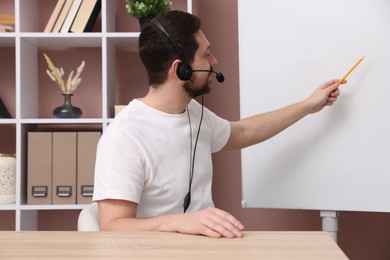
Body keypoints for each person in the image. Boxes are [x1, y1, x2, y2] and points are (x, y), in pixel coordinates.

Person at [92, 10, 342, 238]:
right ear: (181, 70)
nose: (214, 61)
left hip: (209, 248)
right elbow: (112, 226)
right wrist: (180, 222)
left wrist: (309, 105)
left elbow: (243, 131)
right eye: (205, 54)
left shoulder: (193, 112)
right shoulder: (124, 136)